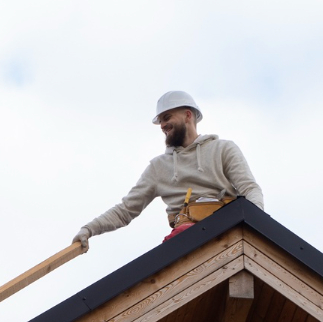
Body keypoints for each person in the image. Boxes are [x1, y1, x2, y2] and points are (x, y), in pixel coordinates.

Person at [74, 90, 264, 250]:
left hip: (227, 233)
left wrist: (255, 227)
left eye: (167, 118)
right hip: (184, 241)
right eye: (160, 122)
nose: (163, 126)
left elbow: (249, 189)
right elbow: (125, 210)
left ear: (187, 115)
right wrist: (89, 229)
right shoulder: (158, 168)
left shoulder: (223, 149)